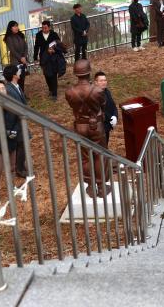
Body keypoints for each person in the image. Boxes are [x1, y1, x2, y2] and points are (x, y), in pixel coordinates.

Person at [65, 60, 108, 198]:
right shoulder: (97, 91)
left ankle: (90, 186)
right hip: (96, 126)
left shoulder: (69, 92)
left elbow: (73, 106)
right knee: (99, 155)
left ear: (76, 74)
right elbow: (103, 104)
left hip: (80, 126)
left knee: (85, 157)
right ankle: (101, 187)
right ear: (89, 72)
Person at [3, 65, 28, 179]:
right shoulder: (8, 89)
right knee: (20, 145)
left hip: (20, 121)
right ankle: (19, 169)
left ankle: (20, 166)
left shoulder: (15, 86)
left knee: (22, 144)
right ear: (14, 75)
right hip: (15, 122)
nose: (20, 72)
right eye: (18, 71)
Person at [33, 20, 65, 101]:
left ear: (49, 27)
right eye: (42, 28)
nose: (44, 29)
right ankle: (50, 89)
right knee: (47, 75)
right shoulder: (38, 35)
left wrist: (55, 51)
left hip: (53, 58)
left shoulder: (54, 34)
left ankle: (54, 94)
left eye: (46, 28)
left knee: (53, 75)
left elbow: (59, 44)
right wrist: (35, 57)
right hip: (44, 58)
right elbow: (36, 47)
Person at [4, 20, 29, 93]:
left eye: (17, 26)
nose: (16, 28)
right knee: (17, 79)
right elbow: (13, 50)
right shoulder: (9, 38)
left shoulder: (20, 35)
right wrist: (21, 58)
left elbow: (26, 47)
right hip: (15, 61)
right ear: (10, 28)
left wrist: (24, 56)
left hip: (23, 60)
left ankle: (23, 94)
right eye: (14, 26)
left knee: (22, 78)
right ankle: (18, 94)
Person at [94, 71, 118, 144]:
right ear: (96, 82)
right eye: (101, 81)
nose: (104, 82)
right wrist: (111, 118)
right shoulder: (94, 95)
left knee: (105, 144)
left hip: (107, 125)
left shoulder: (107, 91)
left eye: (105, 80)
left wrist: (115, 116)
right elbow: (99, 110)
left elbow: (113, 105)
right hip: (100, 127)